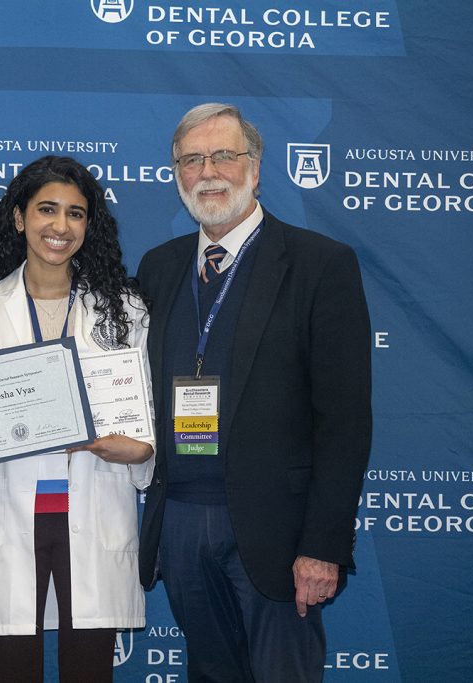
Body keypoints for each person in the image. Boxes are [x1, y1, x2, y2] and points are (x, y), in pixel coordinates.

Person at [135, 103, 372, 682]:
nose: (208, 171)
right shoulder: (158, 269)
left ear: (256, 167)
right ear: (175, 174)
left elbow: (344, 422)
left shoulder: (321, 265)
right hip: (182, 523)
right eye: (192, 159)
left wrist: (324, 545)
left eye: (224, 155)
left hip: (280, 532)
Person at [0, 156, 154, 683]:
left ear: (88, 226)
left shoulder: (125, 310)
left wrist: (129, 448)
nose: (60, 226)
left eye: (75, 213)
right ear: (19, 218)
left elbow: (146, 429)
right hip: (10, 516)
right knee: (11, 672)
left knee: (89, 671)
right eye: (47, 209)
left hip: (93, 511)